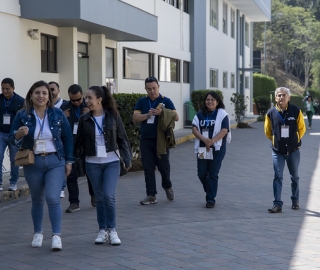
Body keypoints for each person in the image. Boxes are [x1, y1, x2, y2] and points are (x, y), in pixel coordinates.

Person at [9, 80, 74, 250]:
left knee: (53, 198)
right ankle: (38, 233)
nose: (41, 96)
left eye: (45, 93)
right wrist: (18, 134)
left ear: (49, 96)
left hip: (55, 161)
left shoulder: (57, 114)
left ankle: (56, 235)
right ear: (31, 95)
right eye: (37, 93)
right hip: (33, 161)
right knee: (37, 200)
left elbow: (67, 138)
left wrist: (69, 161)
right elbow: (11, 137)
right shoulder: (22, 115)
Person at [74, 85, 132, 246]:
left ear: (99, 99)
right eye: (86, 98)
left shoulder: (113, 116)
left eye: (89, 98)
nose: (86, 101)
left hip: (111, 162)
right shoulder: (84, 119)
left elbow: (122, 138)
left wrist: (127, 159)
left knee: (108, 196)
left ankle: (112, 230)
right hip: (92, 164)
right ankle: (102, 230)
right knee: (99, 198)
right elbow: (77, 143)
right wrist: (70, 162)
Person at [133, 77, 179, 205]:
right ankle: (151, 195)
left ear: (158, 87)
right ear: (145, 89)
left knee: (164, 166)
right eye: (149, 89)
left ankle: (167, 186)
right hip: (146, 140)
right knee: (148, 168)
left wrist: (162, 112)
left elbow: (176, 117)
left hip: (161, 140)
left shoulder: (166, 100)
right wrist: (147, 115)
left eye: (154, 88)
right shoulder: (142, 101)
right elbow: (135, 117)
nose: (152, 91)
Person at [264, 87, 306, 213]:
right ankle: (277, 204)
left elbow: (302, 128)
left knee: (295, 177)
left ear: (289, 97)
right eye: (278, 95)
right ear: (275, 98)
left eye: (283, 95)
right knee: (278, 176)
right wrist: (275, 141)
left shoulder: (295, 111)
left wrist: (295, 140)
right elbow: (267, 131)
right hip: (278, 151)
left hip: (293, 150)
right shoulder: (270, 113)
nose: (281, 97)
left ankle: (295, 200)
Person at [191, 91, 231, 208]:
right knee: (202, 173)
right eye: (208, 99)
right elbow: (194, 129)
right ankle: (210, 190)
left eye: (212, 100)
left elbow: (224, 130)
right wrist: (205, 140)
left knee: (213, 174)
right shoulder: (200, 114)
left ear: (217, 102)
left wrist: (212, 141)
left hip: (217, 148)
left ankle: (210, 199)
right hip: (203, 149)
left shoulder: (222, 114)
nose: (210, 102)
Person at [60, 84, 95, 213]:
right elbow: (58, 126)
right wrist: (63, 116)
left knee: (90, 172)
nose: (75, 102)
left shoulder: (89, 105)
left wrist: (90, 114)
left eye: (78, 99)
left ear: (83, 96)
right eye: (72, 100)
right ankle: (74, 202)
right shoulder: (64, 107)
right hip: (71, 145)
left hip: (86, 144)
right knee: (71, 175)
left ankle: (94, 195)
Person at [0, 78, 25, 191]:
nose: (5, 91)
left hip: (14, 134)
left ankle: (13, 182)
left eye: (7, 89)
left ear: (13, 88)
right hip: (1, 133)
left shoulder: (21, 101)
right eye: (3, 88)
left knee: (14, 159)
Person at [48, 81, 68, 198]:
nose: (51, 92)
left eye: (53, 89)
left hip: (61, 139)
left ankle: (61, 187)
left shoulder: (65, 105)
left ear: (58, 91)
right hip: (50, 141)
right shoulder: (45, 105)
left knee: (62, 162)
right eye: (49, 90)